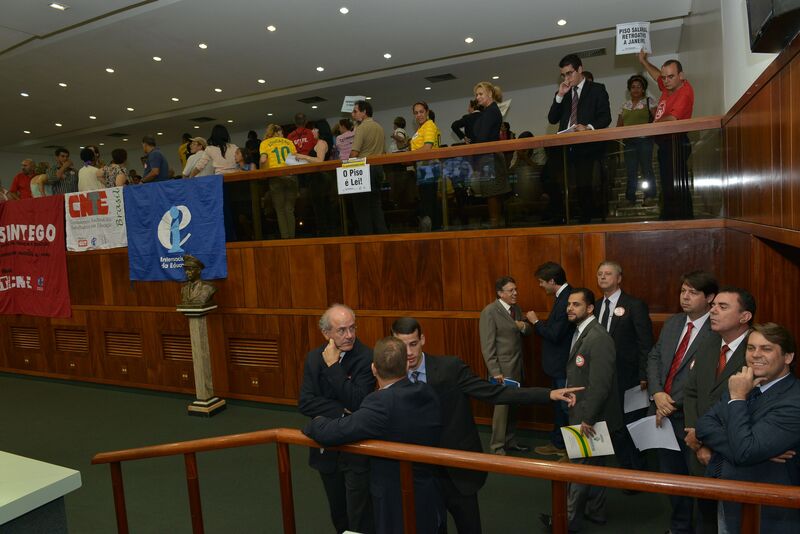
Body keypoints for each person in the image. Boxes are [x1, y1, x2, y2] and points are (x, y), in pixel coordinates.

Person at [392, 317, 582, 534]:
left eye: (413, 344)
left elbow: (495, 393)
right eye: (402, 346)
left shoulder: (450, 367)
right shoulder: (391, 375)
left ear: (423, 339)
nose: (409, 352)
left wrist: (548, 394)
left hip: (458, 472)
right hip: (419, 475)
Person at [304, 336, 444, 534]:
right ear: (406, 366)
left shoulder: (380, 404)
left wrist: (315, 422)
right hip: (428, 492)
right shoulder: (427, 392)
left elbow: (333, 432)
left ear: (373, 369)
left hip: (395, 500)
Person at [696, 323, 800, 534]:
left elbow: (746, 451)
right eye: (751, 348)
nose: (755, 355)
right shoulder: (744, 384)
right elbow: (704, 425)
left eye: (766, 349)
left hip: (769, 512)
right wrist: (750, 448)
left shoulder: (794, 399)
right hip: (726, 495)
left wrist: (737, 399)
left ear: (788, 357)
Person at [541, 287, 620, 533]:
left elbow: (601, 384)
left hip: (589, 415)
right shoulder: (580, 332)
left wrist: (588, 418)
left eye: (576, 304)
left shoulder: (598, 338)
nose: (569, 309)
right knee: (595, 465)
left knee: (579, 466)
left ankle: (566, 521)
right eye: (568, 304)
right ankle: (595, 511)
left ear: (590, 308)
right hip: (586, 411)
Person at [646, 270, 718, 534]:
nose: (685, 297)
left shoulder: (717, 330)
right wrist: (657, 393)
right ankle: (679, 528)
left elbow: (705, 380)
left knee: (700, 482)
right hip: (662, 414)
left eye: (693, 292)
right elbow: (654, 358)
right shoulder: (674, 322)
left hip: (692, 419)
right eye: (683, 291)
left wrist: (670, 402)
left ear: (709, 298)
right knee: (672, 479)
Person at [298, 304, 376, 534]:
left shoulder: (366, 357)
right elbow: (305, 402)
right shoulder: (314, 358)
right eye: (342, 330)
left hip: (356, 452)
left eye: (352, 328)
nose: (349, 335)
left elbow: (358, 402)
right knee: (338, 513)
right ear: (326, 334)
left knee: (360, 516)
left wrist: (333, 366)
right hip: (326, 451)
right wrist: (342, 410)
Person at [684, 286, 755, 533]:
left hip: (732, 455)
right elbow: (692, 392)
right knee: (705, 518)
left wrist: (708, 442)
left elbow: (753, 408)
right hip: (697, 449)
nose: (713, 310)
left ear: (745, 316)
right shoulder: (708, 343)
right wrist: (695, 434)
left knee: (734, 522)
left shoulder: (757, 350)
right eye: (713, 305)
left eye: (723, 307)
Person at [593, 261, 653, 473]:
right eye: (600, 274)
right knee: (609, 423)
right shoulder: (596, 306)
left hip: (629, 377)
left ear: (619, 278)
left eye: (608, 274)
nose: (602, 277)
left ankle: (636, 471)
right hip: (603, 377)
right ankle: (621, 467)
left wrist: (644, 374)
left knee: (630, 425)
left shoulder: (634, 305)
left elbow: (645, 343)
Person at [547, 53, 611, 224]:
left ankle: (585, 221)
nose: (566, 78)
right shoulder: (564, 92)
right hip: (564, 147)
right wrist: (560, 95)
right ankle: (561, 217)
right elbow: (552, 119)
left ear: (580, 69)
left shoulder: (597, 89)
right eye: (563, 75)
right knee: (550, 178)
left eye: (569, 73)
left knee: (583, 185)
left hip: (586, 147)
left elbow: (605, 117)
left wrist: (588, 127)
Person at [638, 50, 695, 220]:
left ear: (681, 76)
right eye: (665, 77)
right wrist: (644, 61)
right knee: (668, 185)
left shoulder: (684, 92)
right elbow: (656, 75)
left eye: (670, 77)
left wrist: (652, 126)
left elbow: (672, 118)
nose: (666, 80)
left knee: (674, 187)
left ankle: (680, 221)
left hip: (676, 142)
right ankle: (671, 219)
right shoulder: (668, 86)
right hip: (664, 144)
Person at [527, 261, 575, 458]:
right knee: (559, 407)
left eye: (542, 282)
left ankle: (573, 452)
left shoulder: (566, 299)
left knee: (566, 408)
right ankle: (558, 444)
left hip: (563, 365)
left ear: (552, 281)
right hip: (557, 366)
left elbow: (555, 335)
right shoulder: (562, 296)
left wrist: (536, 322)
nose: (540, 285)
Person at [479, 276, 531, 455]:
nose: (515, 293)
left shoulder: (516, 309)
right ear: (500, 293)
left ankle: (510, 441)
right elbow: (487, 346)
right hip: (502, 370)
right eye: (511, 290)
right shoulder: (489, 312)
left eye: (516, 289)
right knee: (502, 410)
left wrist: (523, 326)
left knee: (514, 407)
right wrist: (495, 372)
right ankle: (497, 447)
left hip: (517, 367)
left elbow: (526, 330)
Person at [471, 81, 511, 227]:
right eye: (476, 95)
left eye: (480, 94)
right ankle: (495, 225)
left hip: (490, 158)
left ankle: (495, 227)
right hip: (490, 157)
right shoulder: (489, 111)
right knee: (492, 194)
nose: (477, 97)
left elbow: (481, 136)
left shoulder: (491, 111)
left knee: (492, 193)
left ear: (489, 94)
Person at [616, 74, 657, 206]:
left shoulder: (649, 102)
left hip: (645, 140)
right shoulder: (624, 105)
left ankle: (650, 196)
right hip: (629, 142)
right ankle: (630, 198)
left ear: (643, 89)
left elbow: (657, 119)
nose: (636, 89)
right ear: (629, 89)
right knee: (631, 170)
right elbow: (619, 126)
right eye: (633, 87)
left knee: (646, 168)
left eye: (639, 87)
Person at [349, 100, 388, 235]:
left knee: (361, 207)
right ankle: (382, 235)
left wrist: (347, 164)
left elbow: (354, 153)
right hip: (378, 168)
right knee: (375, 205)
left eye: (355, 111)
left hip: (363, 169)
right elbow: (384, 151)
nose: (352, 114)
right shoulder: (379, 127)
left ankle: (367, 238)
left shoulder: (361, 128)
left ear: (364, 112)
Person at [296, 121, 339, 236]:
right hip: (316, 178)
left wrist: (303, 157)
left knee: (322, 208)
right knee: (320, 208)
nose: (311, 132)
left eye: (314, 129)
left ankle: (327, 234)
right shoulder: (315, 143)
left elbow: (320, 160)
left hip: (320, 179)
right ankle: (325, 233)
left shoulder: (321, 143)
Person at [259, 124, 298, 239]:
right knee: (289, 209)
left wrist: (262, 170)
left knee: (280, 210)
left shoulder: (265, 143)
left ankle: (285, 239)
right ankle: (293, 238)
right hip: (291, 177)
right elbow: (295, 159)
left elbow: (263, 159)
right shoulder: (288, 142)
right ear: (278, 132)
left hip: (275, 177)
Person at [409, 101, 441, 232]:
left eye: (421, 112)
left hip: (428, 167)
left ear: (427, 112)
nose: (419, 115)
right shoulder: (421, 128)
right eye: (416, 113)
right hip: (423, 167)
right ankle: (434, 230)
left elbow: (427, 148)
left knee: (428, 202)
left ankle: (432, 231)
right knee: (429, 200)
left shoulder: (429, 125)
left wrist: (408, 155)